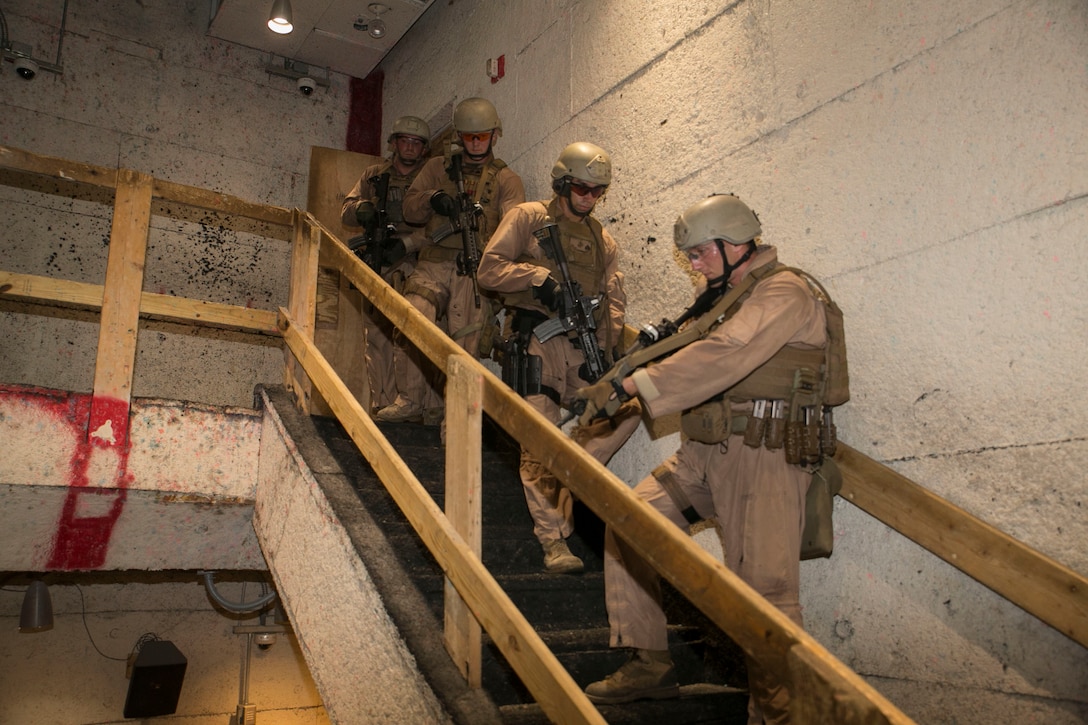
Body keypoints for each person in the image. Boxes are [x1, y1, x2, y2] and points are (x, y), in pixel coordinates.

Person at [577, 194, 839, 723]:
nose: (693, 266)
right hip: (704, 453)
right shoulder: (726, 295)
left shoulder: (785, 290)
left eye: (699, 254)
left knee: (765, 593)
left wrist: (636, 383)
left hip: (762, 459)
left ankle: (778, 716)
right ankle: (649, 663)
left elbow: (726, 353)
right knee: (629, 522)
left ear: (735, 243)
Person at [477, 142, 641, 574]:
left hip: (581, 346)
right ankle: (553, 541)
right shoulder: (530, 217)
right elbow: (488, 269)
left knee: (627, 410)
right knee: (539, 437)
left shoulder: (602, 240)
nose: (588, 199)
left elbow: (613, 301)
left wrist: (604, 354)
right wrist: (536, 279)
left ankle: (566, 475)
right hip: (538, 341)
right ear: (563, 183)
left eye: (597, 192)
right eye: (582, 188)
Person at [375, 97, 525, 423]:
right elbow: (411, 209)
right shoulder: (436, 168)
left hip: (474, 269)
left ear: (494, 136)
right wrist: (435, 199)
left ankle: (455, 421)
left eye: (481, 137)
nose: (475, 143)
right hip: (432, 261)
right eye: (469, 136)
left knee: (466, 343)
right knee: (413, 317)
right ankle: (410, 399)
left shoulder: (506, 180)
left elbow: (515, 229)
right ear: (459, 135)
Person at [340, 115, 432, 413]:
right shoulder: (374, 175)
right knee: (376, 333)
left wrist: (407, 244)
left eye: (416, 143)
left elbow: (439, 226)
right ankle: (382, 403)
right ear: (393, 143)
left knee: (411, 333)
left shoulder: (430, 178)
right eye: (404, 140)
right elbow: (346, 212)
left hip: (416, 262)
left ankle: (413, 403)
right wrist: (362, 209)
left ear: (423, 149)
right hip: (379, 260)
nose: (409, 147)